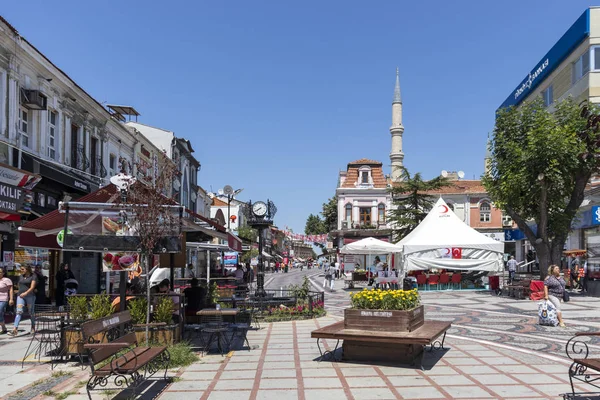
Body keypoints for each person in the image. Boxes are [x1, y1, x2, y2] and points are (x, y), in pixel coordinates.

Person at [11, 265, 37, 336]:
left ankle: (33, 326)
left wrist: (26, 293)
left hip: (30, 296)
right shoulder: (21, 276)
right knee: (19, 311)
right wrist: (18, 291)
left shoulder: (33, 276)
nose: (21, 270)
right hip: (20, 296)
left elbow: (32, 287)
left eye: (22, 269)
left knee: (31, 312)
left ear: (27, 269)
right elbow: (19, 284)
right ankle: (15, 329)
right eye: (21, 269)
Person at [0, 267, 14, 334]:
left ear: (3, 273)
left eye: (0, 272)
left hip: (3, 299)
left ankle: (3, 327)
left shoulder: (6, 280)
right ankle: (3, 327)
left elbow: (11, 290)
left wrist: (11, 299)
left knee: (0, 311)